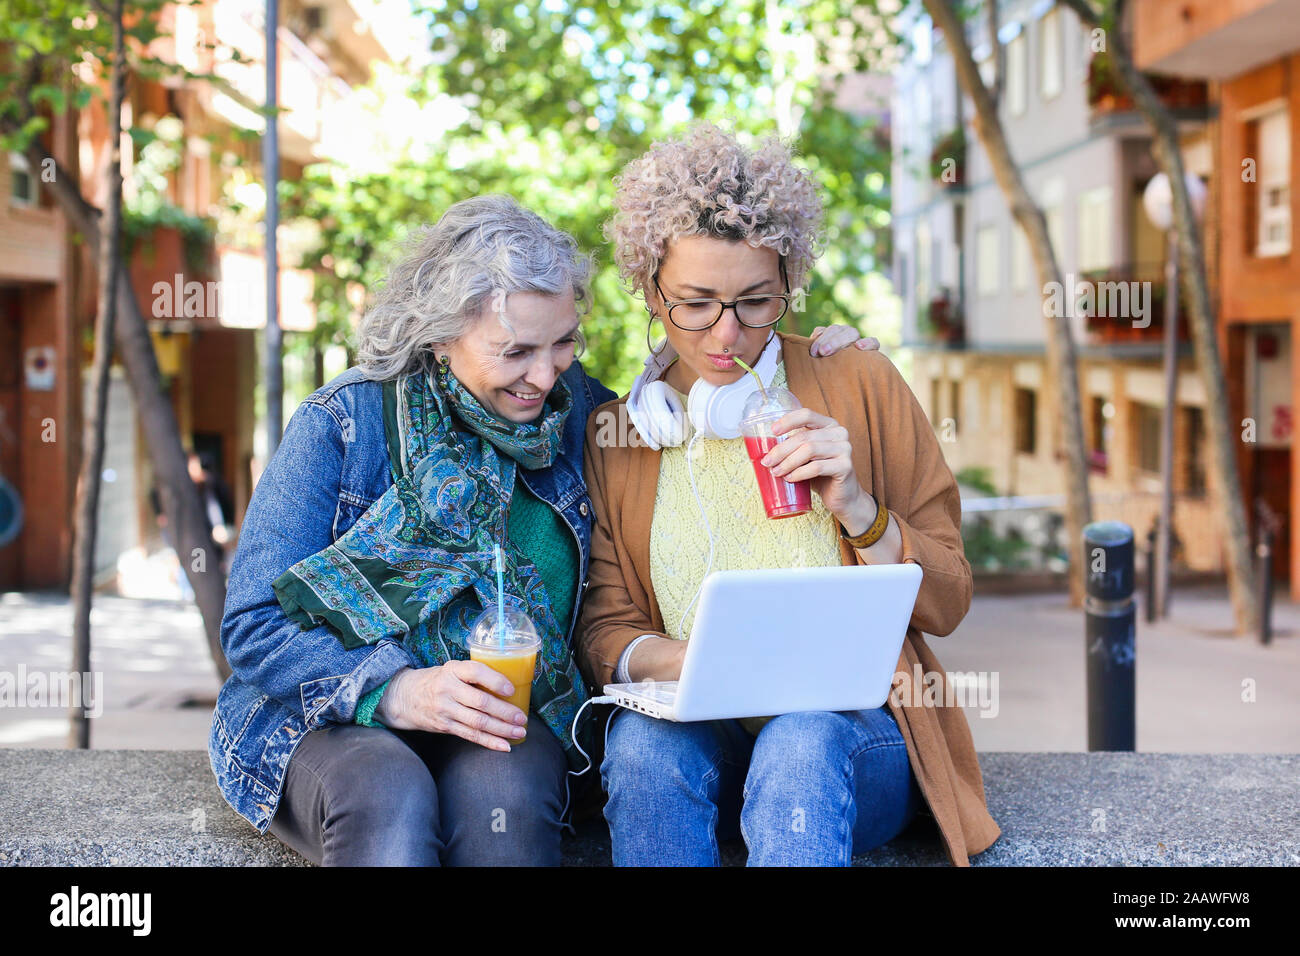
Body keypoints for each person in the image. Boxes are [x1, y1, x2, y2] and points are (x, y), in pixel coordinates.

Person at [208, 193, 872, 867]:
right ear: (440, 334)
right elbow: (253, 624)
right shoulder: (343, 422)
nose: (544, 375)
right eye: (515, 350)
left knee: (511, 801)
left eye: (563, 344)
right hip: (331, 712)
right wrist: (400, 690)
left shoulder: (590, 416)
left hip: (507, 715)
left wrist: (827, 364)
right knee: (389, 793)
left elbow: (713, 424)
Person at [578, 123, 1002, 867]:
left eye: (756, 302)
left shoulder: (858, 383)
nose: (726, 335)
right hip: (699, 730)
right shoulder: (623, 432)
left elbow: (951, 597)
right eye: (695, 304)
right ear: (649, 289)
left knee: (800, 737)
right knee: (643, 750)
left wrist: (861, 512)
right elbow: (605, 626)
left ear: (787, 286)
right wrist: (699, 663)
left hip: (847, 740)